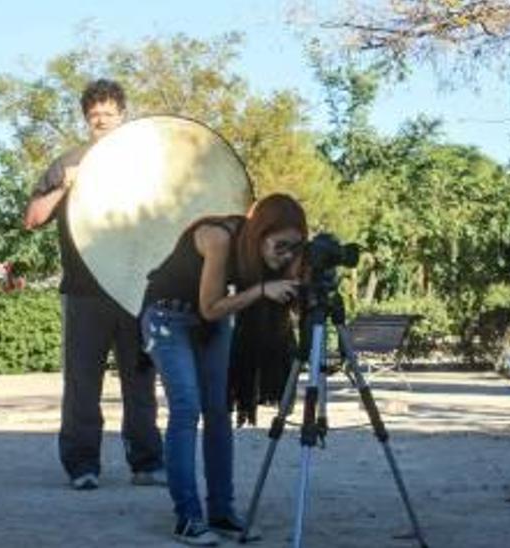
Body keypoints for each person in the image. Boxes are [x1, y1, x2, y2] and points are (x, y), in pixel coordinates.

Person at [140, 194, 306, 545]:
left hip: (208, 326)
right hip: (167, 318)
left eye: (295, 246)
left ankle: (221, 512)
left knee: (218, 412)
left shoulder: (263, 253)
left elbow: (221, 313)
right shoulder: (218, 237)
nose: (286, 254)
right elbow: (211, 306)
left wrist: (296, 274)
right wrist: (262, 289)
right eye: (281, 245)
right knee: (186, 408)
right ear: (261, 232)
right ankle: (187, 516)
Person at [22, 79, 164, 490]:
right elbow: (32, 219)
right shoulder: (69, 162)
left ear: (122, 115)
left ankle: (147, 462)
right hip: (85, 292)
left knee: (141, 381)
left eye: (108, 112)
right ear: (86, 119)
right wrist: (65, 187)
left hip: (137, 289)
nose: (100, 119)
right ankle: (82, 466)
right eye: (93, 114)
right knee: (83, 384)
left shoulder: (145, 162)